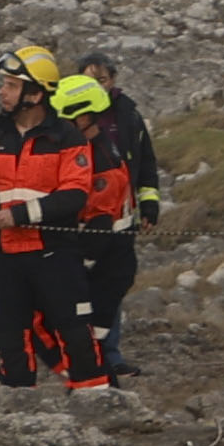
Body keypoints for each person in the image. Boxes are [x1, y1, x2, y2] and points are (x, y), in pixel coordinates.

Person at [0, 46, 110, 393]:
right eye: (3, 84)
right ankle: (19, 405)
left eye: (10, 85)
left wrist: (19, 215)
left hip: (55, 254)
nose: (1, 92)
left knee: (74, 328)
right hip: (4, 257)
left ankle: (96, 401)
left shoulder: (67, 138)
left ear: (35, 94)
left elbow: (74, 194)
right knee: (9, 333)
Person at [48, 72, 145, 380]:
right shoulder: (96, 148)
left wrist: (81, 264)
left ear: (83, 117)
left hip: (105, 257)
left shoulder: (99, 161)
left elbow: (99, 220)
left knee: (94, 332)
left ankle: (101, 385)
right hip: (109, 254)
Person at [71, 51, 158, 374]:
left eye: (102, 80)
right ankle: (77, 354)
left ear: (113, 81)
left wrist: (149, 203)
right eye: (89, 80)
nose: (97, 86)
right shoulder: (65, 114)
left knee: (113, 287)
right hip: (78, 222)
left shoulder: (128, 114)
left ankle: (110, 355)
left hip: (121, 219)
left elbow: (145, 161)